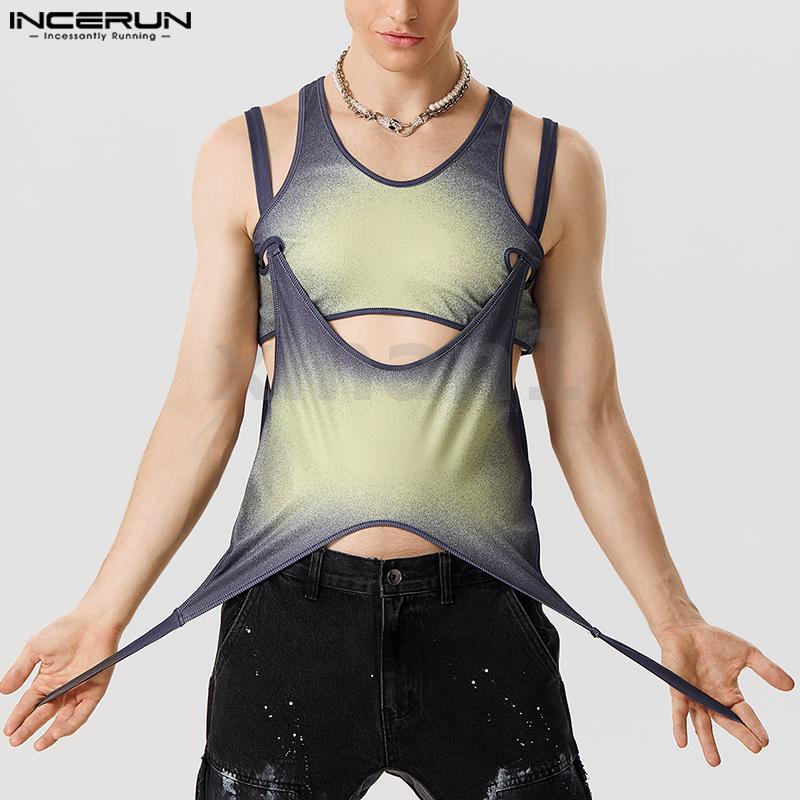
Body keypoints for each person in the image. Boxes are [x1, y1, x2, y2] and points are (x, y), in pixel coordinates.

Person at [2, 2, 794, 798]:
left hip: (481, 611)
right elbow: (199, 411)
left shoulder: (551, 162)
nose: (402, 10)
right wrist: (101, 613)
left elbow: (589, 421)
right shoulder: (248, 152)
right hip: (291, 613)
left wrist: (675, 620)